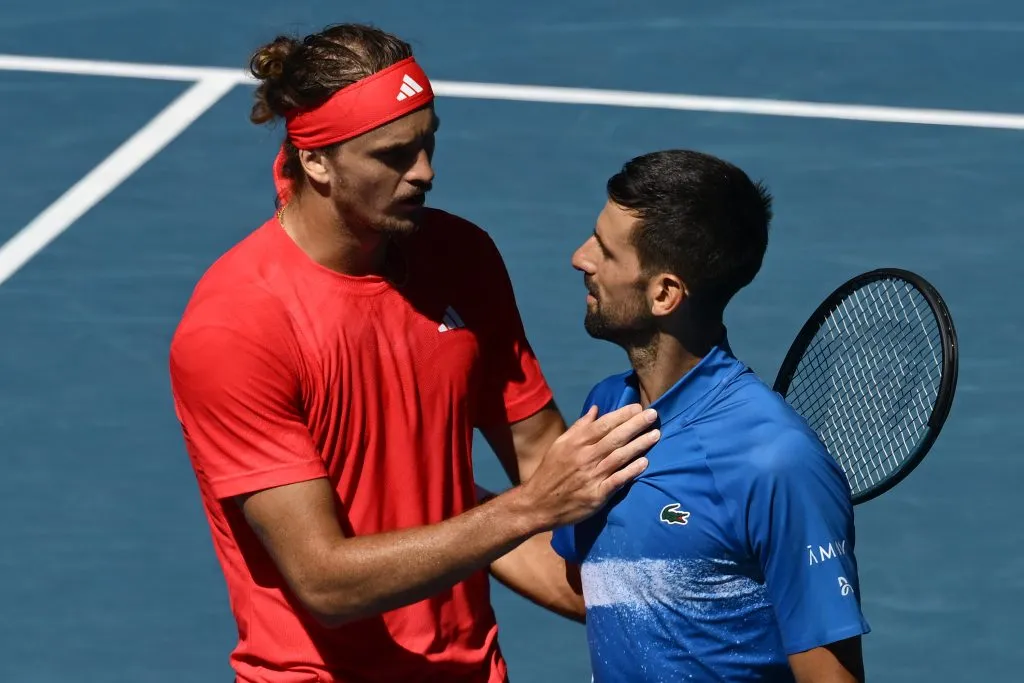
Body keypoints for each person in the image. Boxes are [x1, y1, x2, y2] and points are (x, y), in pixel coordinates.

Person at [167, 23, 659, 683]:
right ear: (317, 161)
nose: (423, 172)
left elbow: (542, 458)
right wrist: (528, 507)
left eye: (428, 144)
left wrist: (669, 600)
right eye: (394, 155)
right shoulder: (237, 327)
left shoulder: (460, 256)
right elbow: (325, 581)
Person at [543, 150, 872, 682]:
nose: (580, 258)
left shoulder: (774, 464)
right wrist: (453, 502)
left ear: (664, 293)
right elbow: (597, 589)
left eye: (604, 250)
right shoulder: (607, 409)